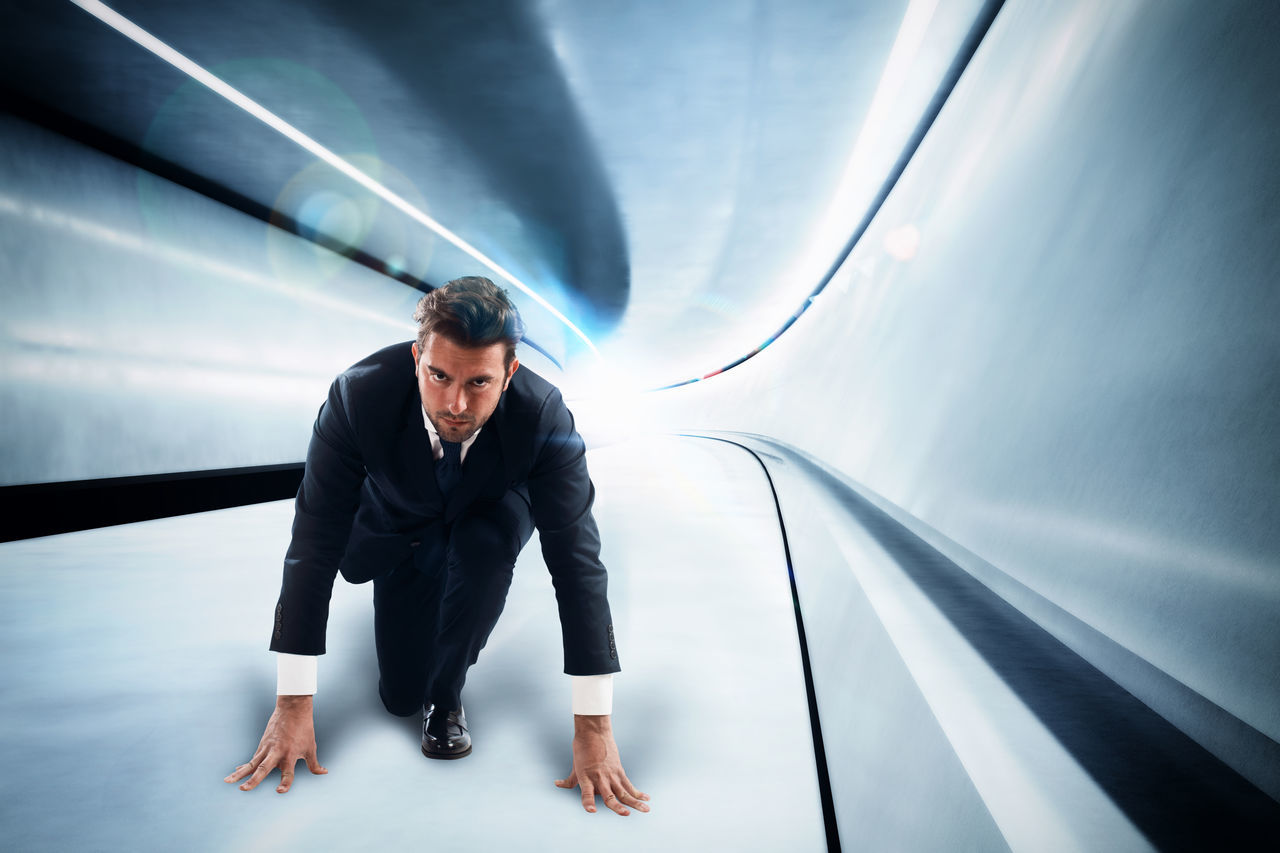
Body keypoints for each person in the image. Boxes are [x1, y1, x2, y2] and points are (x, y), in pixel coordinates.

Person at [225, 276, 648, 817]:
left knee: (480, 548)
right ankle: (423, 636)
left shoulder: (543, 416)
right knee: (399, 697)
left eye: (479, 383)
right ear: (415, 358)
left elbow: (578, 564)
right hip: (401, 530)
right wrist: (292, 701)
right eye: (439, 375)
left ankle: (447, 701)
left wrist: (593, 725)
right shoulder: (358, 396)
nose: (455, 403)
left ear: (509, 373)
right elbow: (313, 540)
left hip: (489, 515)